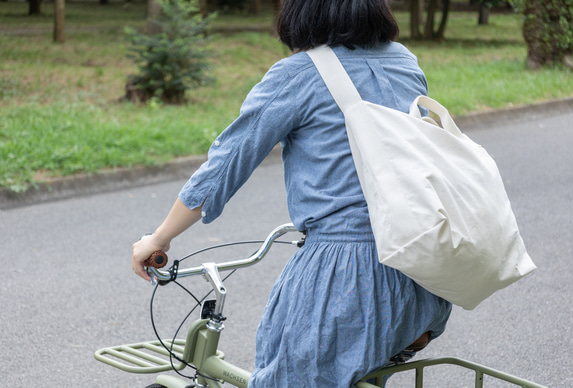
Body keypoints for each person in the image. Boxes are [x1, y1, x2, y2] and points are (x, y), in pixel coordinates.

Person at [131, 0, 452, 386]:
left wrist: (158, 238)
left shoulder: (298, 75)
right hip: (423, 277)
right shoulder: (404, 62)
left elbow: (224, 167)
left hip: (349, 279)